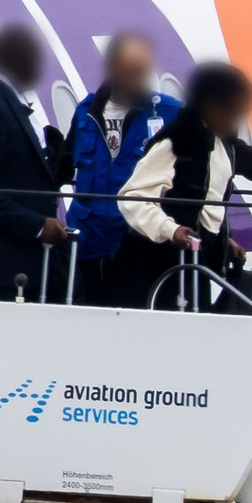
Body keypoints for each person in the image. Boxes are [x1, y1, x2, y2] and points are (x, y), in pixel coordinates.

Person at [118, 62, 252, 309]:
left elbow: (246, 161)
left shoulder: (220, 140)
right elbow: (132, 197)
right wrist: (170, 230)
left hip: (196, 263)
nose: (237, 117)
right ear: (209, 107)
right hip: (162, 266)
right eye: (232, 110)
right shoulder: (175, 144)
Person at [56, 32, 182, 307]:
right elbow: (61, 169)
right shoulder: (86, 112)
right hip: (88, 248)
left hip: (139, 249)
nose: (138, 81)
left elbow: (205, 170)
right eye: (131, 72)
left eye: (143, 73)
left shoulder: (169, 113)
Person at [0, 24, 67, 301]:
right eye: (36, 59)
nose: (39, 69)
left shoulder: (8, 100)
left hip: (22, 266)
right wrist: (36, 225)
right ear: (17, 59)